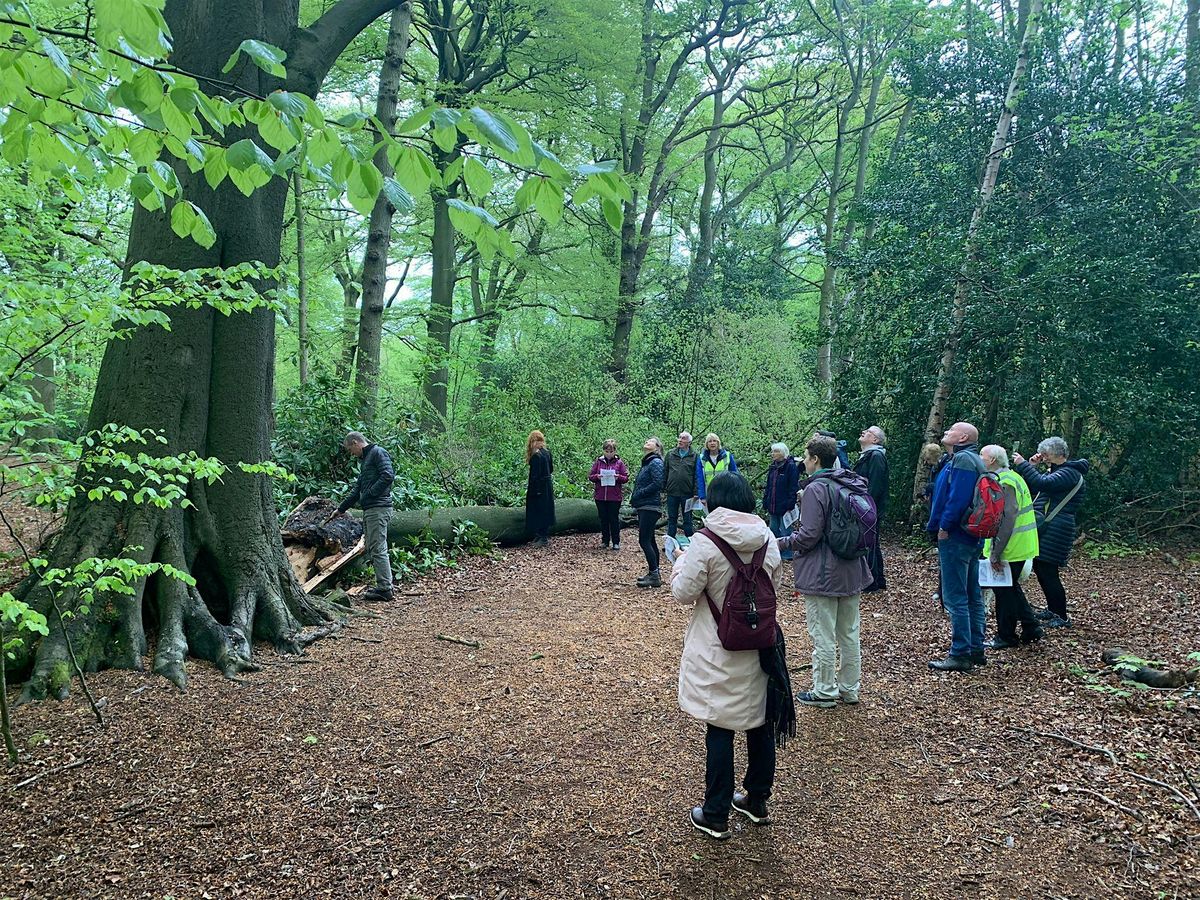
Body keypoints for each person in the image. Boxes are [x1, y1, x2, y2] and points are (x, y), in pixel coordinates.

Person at [671, 471, 792, 840]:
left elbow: (683, 592)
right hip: (760, 646)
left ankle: (715, 811)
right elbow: (777, 586)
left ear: (714, 501)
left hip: (716, 648)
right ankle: (756, 800)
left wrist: (678, 559)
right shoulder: (767, 540)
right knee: (759, 722)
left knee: (719, 726)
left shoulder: (705, 542)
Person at [779, 436, 873, 707]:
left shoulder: (816, 489)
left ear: (815, 459)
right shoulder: (850, 482)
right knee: (849, 632)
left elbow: (808, 536)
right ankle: (849, 689)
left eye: (806, 457)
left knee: (823, 634)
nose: (804, 462)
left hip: (823, 572)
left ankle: (824, 690)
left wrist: (780, 542)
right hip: (852, 568)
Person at [926, 421, 987, 672]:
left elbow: (957, 498)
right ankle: (976, 649)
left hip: (957, 536)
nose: (946, 432)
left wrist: (944, 526)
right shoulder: (972, 460)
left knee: (956, 596)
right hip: (972, 537)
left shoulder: (963, 461)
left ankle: (960, 653)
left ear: (962, 437)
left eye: (951, 430)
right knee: (973, 594)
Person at [1013, 437, 1089, 629]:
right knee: (1041, 569)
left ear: (1058, 454)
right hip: (1050, 527)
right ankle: (1053, 610)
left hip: (1056, 528)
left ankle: (1061, 615)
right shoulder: (1057, 472)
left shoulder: (1070, 473)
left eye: (1046, 454)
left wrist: (1023, 465)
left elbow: (1042, 484)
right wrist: (1031, 466)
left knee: (1049, 572)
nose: (1044, 457)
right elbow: (1034, 486)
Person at [980, 445, 1043, 649]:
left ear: (992, 461)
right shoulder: (1013, 477)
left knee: (1003, 591)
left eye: (982, 455)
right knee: (1011, 588)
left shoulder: (1005, 481)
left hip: (1011, 546)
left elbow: (1007, 518)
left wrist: (996, 553)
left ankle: (1006, 636)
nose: (979, 458)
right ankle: (1031, 626)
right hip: (1020, 543)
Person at [327, 432, 395, 600]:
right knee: (374, 546)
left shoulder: (377, 452)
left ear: (356, 442)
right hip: (372, 509)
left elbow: (388, 475)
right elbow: (357, 490)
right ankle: (384, 586)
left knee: (378, 548)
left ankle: (385, 589)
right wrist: (341, 509)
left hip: (378, 508)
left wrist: (371, 494)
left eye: (351, 449)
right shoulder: (366, 460)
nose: (352, 453)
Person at [853, 426, 889, 592]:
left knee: (868, 544)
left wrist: (865, 507)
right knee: (872, 543)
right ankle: (877, 580)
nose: (862, 432)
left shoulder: (875, 456)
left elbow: (875, 485)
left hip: (869, 509)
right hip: (868, 507)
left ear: (875, 440)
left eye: (868, 432)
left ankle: (870, 582)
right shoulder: (869, 456)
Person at [629, 436, 665, 587]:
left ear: (657, 447)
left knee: (644, 540)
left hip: (650, 506)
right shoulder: (648, 462)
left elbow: (658, 483)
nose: (647, 442)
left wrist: (640, 493)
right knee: (649, 540)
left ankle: (655, 575)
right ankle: (654, 573)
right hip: (645, 505)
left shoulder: (656, 462)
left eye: (651, 441)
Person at [588, 439, 629, 551]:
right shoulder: (598, 462)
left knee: (613, 519)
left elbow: (625, 478)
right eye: (607, 450)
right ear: (603, 450)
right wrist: (597, 476)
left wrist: (618, 477)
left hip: (614, 497)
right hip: (600, 496)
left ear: (615, 451)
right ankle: (605, 540)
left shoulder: (619, 463)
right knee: (603, 519)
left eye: (611, 451)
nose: (609, 453)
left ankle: (616, 542)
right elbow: (591, 476)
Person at [761, 443, 799, 562]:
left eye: (775, 452)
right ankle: (775, 551)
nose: (773, 454)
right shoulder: (773, 467)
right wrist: (765, 500)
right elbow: (768, 486)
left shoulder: (791, 466)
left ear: (783, 453)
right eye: (772, 452)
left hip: (784, 505)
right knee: (773, 529)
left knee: (785, 530)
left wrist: (790, 504)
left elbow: (793, 487)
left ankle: (788, 554)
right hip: (772, 504)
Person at [663, 431, 698, 541]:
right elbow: (665, 471)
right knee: (671, 518)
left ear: (689, 442)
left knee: (687, 519)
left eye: (683, 438)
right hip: (672, 492)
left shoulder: (695, 456)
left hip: (687, 493)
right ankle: (670, 542)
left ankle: (690, 542)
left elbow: (697, 475)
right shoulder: (670, 454)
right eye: (679, 438)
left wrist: (696, 493)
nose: (680, 440)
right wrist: (663, 488)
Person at [525, 430, 555, 547]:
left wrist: (534, 490)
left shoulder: (536, 456)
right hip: (547, 485)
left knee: (538, 510)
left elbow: (534, 475)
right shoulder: (547, 452)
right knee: (545, 509)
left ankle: (542, 537)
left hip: (538, 486)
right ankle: (541, 536)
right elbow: (551, 469)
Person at [696, 433, 738, 505]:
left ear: (718, 443)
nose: (712, 443)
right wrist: (702, 496)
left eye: (714, 441)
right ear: (706, 444)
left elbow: (735, 474)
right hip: (709, 492)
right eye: (710, 441)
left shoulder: (727, 456)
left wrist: (734, 492)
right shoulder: (701, 458)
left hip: (725, 491)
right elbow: (700, 478)